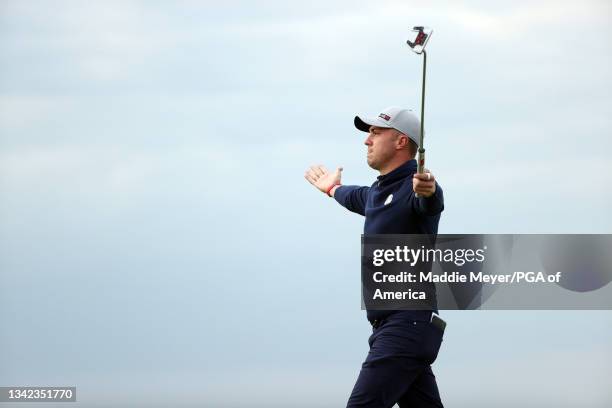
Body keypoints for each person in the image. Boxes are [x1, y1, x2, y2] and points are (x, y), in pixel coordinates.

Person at [304, 106, 446, 407]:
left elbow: (430, 201)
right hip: (397, 328)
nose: (367, 140)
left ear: (400, 142)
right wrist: (332, 188)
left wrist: (429, 189)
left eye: (375, 133)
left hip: (406, 326)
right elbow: (352, 196)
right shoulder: (377, 194)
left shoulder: (415, 189)